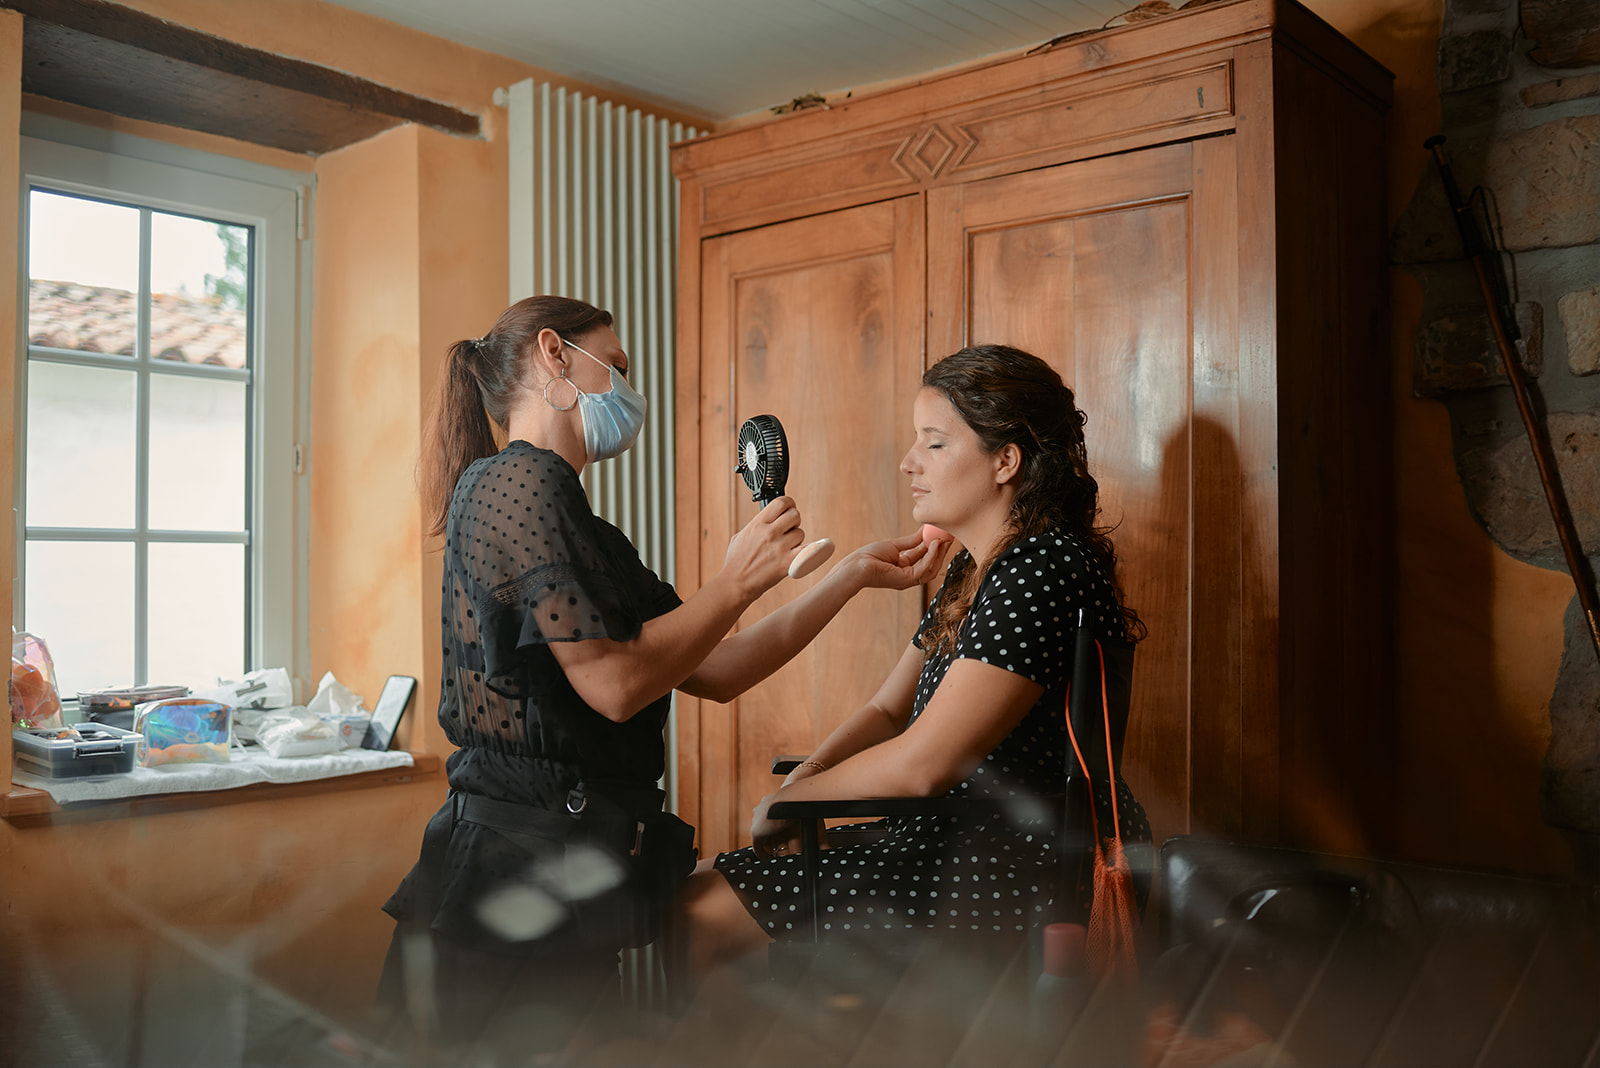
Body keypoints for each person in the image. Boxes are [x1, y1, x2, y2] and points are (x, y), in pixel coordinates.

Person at [378, 296, 949, 1051]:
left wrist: (850, 577)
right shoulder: (517, 481)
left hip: (566, 876)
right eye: (613, 365)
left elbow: (716, 668)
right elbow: (614, 688)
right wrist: (736, 582)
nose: (625, 388)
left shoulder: (588, 532)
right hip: (508, 883)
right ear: (553, 353)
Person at [678, 343, 1149, 973]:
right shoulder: (972, 571)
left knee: (695, 916)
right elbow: (887, 710)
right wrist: (805, 778)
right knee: (696, 886)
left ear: (1005, 460)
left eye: (934, 442)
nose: (908, 462)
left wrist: (791, 805)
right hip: (947, 841)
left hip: (1010, 864)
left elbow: (927, 762)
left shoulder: (1041, 567)